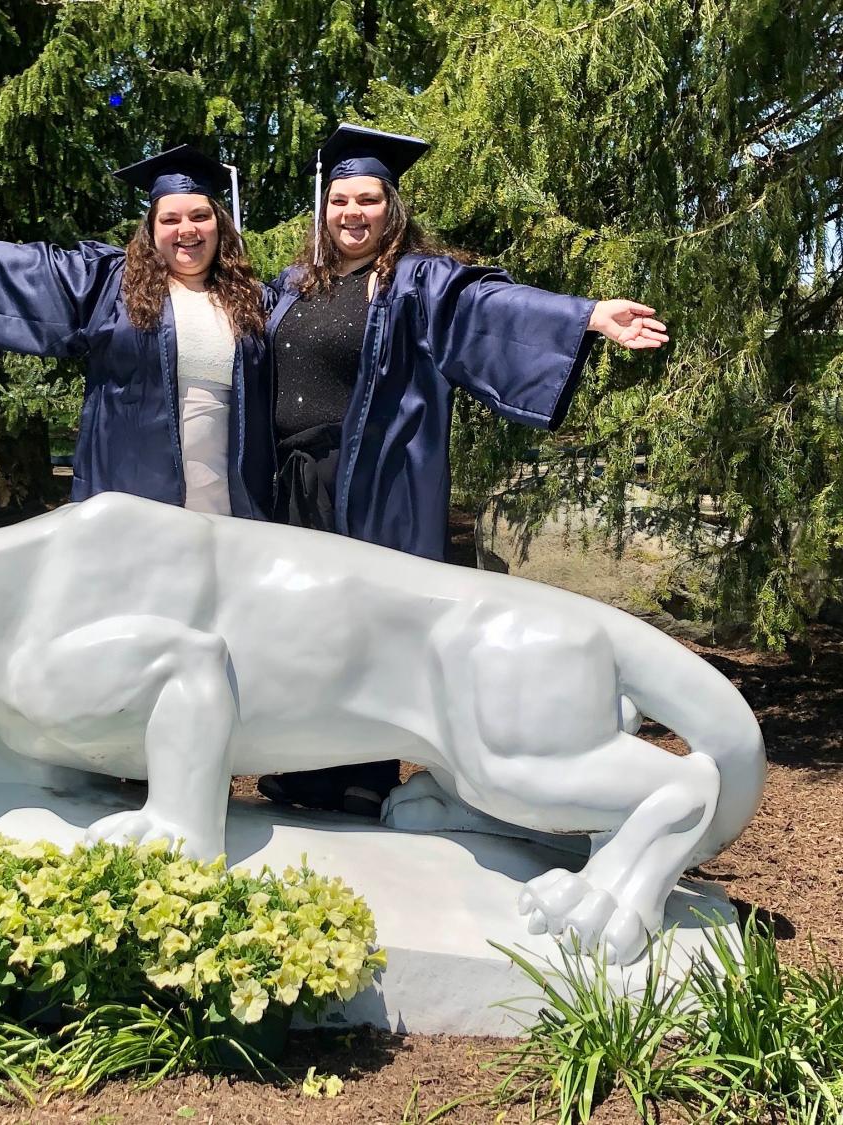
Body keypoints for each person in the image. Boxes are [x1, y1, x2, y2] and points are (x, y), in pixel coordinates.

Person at [257, 124, 669, 818]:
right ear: (321, 212)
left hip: (368, 480)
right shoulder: (291, 285)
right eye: (338, 201)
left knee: (367, 627)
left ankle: (362, 771)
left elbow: (489, 307)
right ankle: (296, 765)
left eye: (367, 199)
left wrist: (589, 316)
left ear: (391, 209)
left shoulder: (415, 283)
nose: (351, 213)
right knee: (296, 628)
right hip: (288, 483)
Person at [0, 145, 274, 519]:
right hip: (133, 487)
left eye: (199, 216)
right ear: (151, 231)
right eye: (170, 219)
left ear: (219, 226)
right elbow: (29, 264)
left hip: (229, 488)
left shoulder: (252, 300)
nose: (186, 228)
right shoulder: (114, 285)